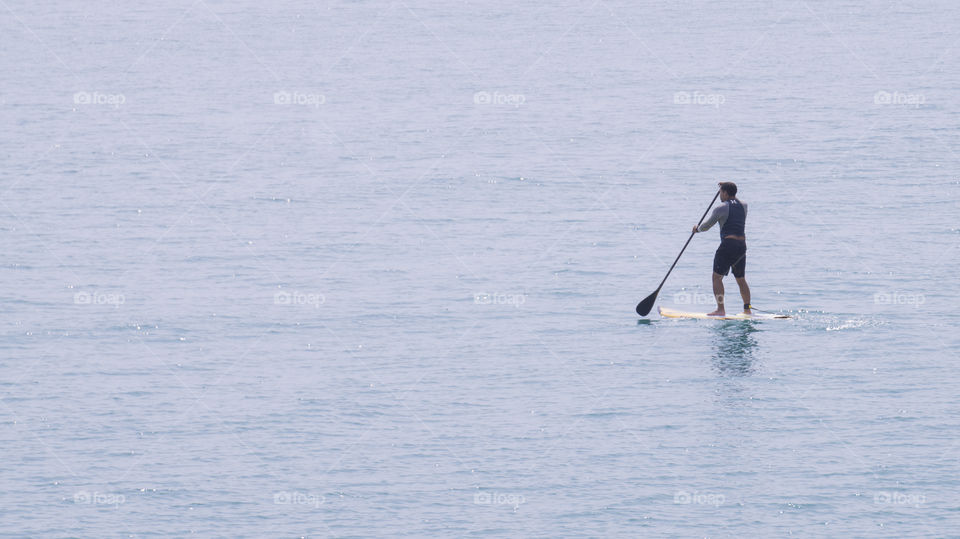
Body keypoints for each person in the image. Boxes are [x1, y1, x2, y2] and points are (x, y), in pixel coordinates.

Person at [692, 182, 750, 316]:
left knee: (716, 278)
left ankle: (720, 310)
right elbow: (733, 201)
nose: (719, 195)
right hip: (741, 246)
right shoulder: (744, 206)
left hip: (728, 245)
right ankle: (747, 309)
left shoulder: (721, 208)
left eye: (720, 193)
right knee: (741, 279)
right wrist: (727, 185)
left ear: (724, 193)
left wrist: (697, 229)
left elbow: (706, 226)